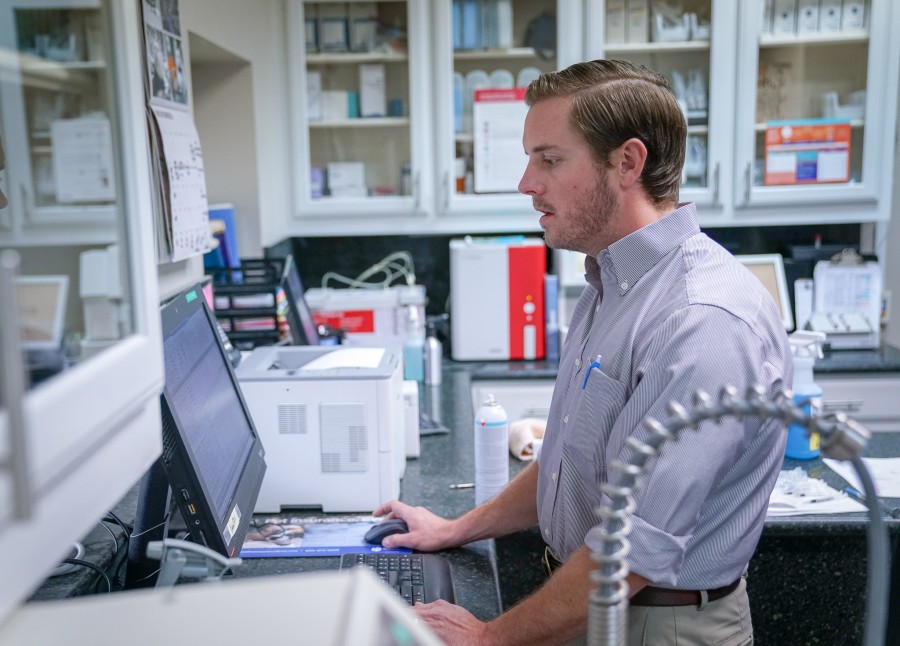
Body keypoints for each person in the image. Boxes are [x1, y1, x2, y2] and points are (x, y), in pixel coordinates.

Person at [375, 59, 792, 645]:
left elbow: (632, 550)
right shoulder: (609, 284)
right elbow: (571, 458)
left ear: (627, 162)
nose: (526, 182)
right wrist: (455, 529)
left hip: (660, 625)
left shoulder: (703, 321)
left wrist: (486, 638)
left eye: (549, 159)